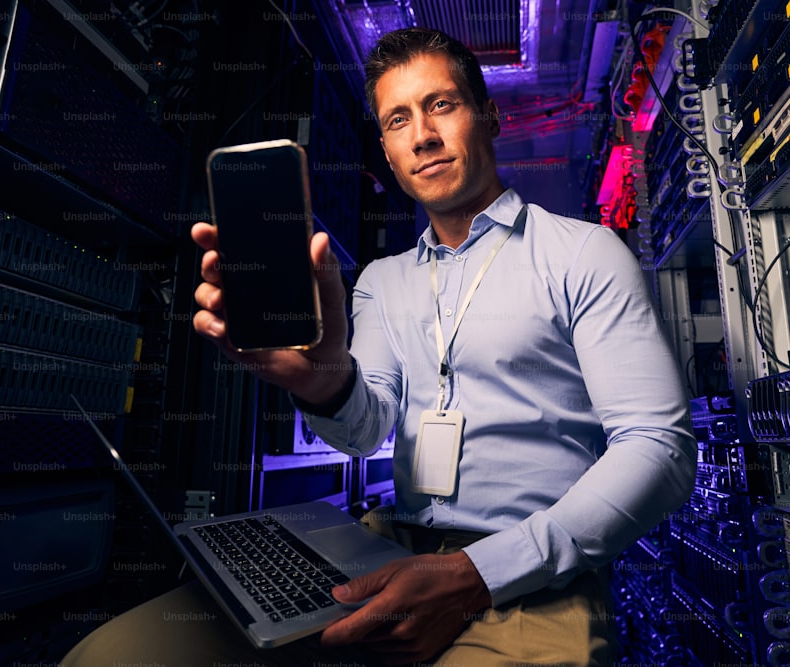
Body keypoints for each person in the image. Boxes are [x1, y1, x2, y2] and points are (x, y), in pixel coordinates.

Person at [62, 27, 696, 667]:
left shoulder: (583, 255)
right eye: (398, 120)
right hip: (384, 551)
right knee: (109, 656)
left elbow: (658, 449)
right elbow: (366, 428)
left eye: (441, 105)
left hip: (533, 581)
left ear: (490, 114)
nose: (421, 134)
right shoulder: (382, 280)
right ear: (389, 153)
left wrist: (475, 572)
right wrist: (324, 381)